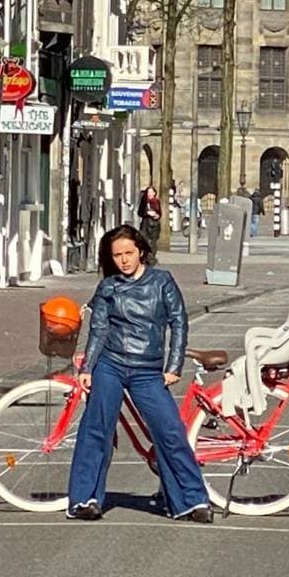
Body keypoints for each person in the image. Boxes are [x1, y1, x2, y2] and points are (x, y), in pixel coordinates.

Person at [66, 224, 213, 523]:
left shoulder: (162, 282)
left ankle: (192, 501)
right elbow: (99, 329)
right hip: (111, 365)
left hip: (148, 370)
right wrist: (87, 368)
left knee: (170, 432)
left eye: (128, 253)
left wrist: (174, 366)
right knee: (97, 429)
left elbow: (179, 323)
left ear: (141, 251)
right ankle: (84, 500)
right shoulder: (108, 287)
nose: (123, 260)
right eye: (117, 255)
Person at [137, 185, 161, 253]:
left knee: (153, 243)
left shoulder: (157, 202)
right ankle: (146, 257)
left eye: (151, 192)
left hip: (155, 225)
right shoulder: (144, 202)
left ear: (154, 193)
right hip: (145, 224)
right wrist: (147, 213)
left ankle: (152, 258)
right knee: (145, 241)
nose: (150, 194)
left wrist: (156, 215)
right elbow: (140, 213)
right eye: (148, 192)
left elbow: (160, 213)